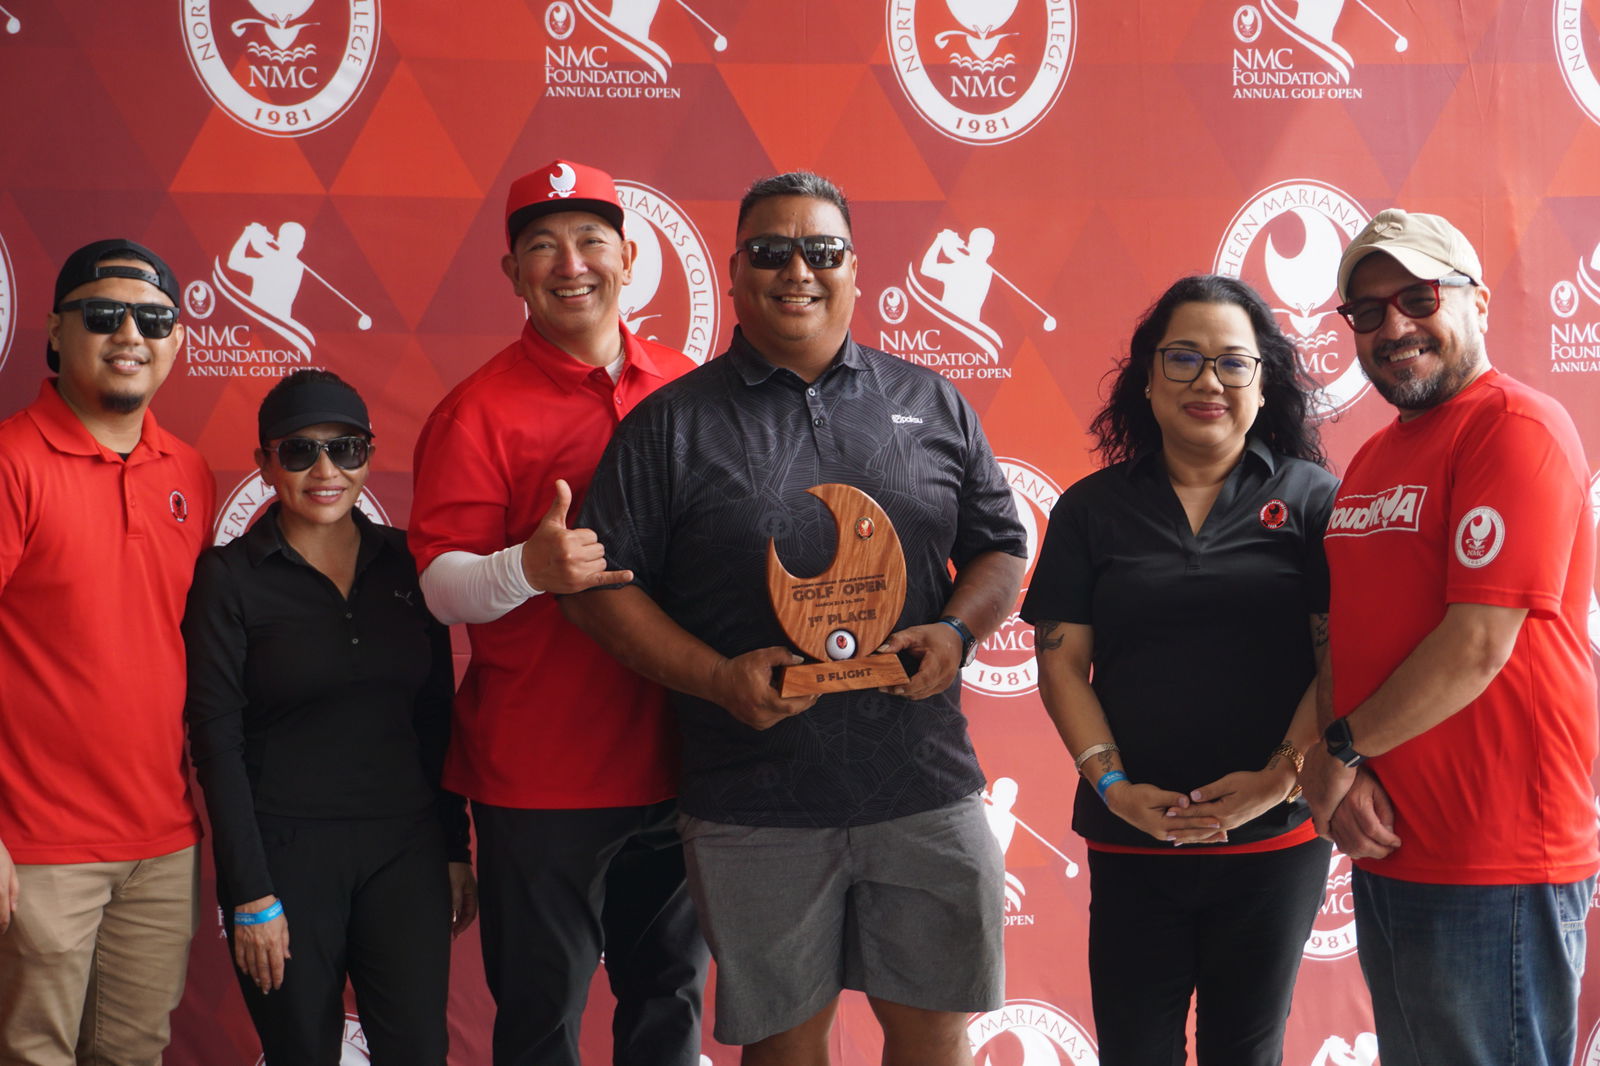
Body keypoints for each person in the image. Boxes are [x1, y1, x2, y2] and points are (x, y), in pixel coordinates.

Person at [564, 171, 1028, 1065]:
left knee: (937, 1038)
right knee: (786, 1049)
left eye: (822, 250)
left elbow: (1001, 546)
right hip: (752, 803)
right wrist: (715, 678)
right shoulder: (671, 426)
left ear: (856, 269)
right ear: (733, 272)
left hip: (922, 787)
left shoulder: (931, 403)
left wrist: (960, 632)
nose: (797, 271)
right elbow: (599, 589)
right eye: (771, 251)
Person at [408, 159, 707, 1066]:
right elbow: (439, 585)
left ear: (627, 255)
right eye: (541, 246)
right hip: (541, 779)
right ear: (511, 273)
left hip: (686, 760)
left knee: (670, 1005)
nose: (568, 263)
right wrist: (528, 568)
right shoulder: (477, 410)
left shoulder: (695, 387)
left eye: (588, 241)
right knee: (541, 1020)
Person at [1302, 209, 1599, 1066]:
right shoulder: (1370, 460)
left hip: (1496, 861)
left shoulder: (1516, 427)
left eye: (1417, 297)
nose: (1393, 326)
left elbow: (1478, 643)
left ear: (1475, 303)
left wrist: (1340, 752)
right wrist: (1341, 773)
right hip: (1391, 843)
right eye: (1367, 312)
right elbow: (1345, 636)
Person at [1021, 274, 1337, 1065]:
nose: (1208, 381)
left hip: (1273, 844)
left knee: (1247, 1053)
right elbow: (1062, 667)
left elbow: (1341, 658)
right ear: (1148, 378)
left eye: (1234, 362)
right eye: (1184, 359)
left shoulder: (1316, 503)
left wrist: (1281, 777)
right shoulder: (1090, 511)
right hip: (1133, 843)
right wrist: (1114, 789)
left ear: (1264, 383)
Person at [183, 369, 474, 1064]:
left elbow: (437, 715)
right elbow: (216, 744)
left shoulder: (408, 562)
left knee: (418, 1052)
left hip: (405, 851)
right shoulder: (230, 577)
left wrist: (455, 846)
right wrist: (250, 893)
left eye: (345, 449)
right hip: (286, 857)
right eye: (299, 450)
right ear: (264, 462)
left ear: (368, 455)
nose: (325, 470)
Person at [0, 239, 214, 1065]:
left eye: (154, 318)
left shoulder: (187, 470)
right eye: (104, 315)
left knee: (134, 1056)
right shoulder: (13, 460)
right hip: (39, 845)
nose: (131, 332)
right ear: (56, 333)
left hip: (162, 842)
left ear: (178, 341)